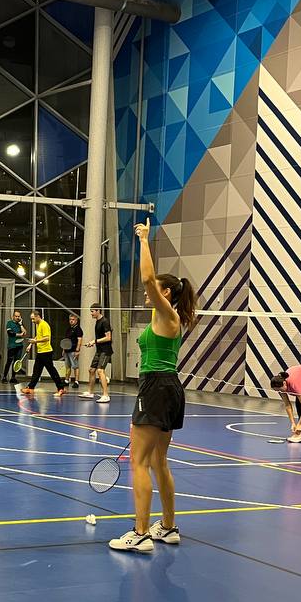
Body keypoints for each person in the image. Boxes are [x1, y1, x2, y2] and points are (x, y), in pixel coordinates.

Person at [109, 220, 196, 554]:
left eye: (155, 290)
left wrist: (144, 240)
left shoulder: (166, 314)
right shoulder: (165, 318)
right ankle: (168, 527)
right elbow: (149, 283)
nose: (148, 292)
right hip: (168, 389)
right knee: (159, 461)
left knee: (139, 462)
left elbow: (147, 278)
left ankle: (141, 532)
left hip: (156, 388)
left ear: (166, 293)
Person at [21, 309, 66, 396]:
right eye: (31, 319)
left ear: (38, 316)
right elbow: (38, 336)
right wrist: (30, 345)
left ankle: (61, 388)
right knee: (36, 371)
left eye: (33, 319)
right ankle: (30, 388)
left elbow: (47, 338)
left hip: (46, 352)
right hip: (40, 352)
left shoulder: (44, 325)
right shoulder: (38, 325)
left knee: (51, 371)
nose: (32, 321)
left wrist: (35, 342)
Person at [80, 303, 113, 404]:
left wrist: (94, 341)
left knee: (100, 370)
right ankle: (90, 392)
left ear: (98, 311)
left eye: (92, 311)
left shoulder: (105, 322)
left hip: (106, 351)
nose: (91, 313)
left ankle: (106, 395)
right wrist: (93, 343)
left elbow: (108, 337)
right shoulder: (97, 322)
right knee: (91, 370)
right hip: (99, 350)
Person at [63, 313, 83, 389]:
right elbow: (66, 340)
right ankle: (66, 380)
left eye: (73, 319)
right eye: (70, 319)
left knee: (75, 366)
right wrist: (63, 349)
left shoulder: (78, 329)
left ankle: (76, 381)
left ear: (76, 320)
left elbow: (80, 340)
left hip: (73, 350)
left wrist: (77, 350)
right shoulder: (68, 329)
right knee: (67, 366)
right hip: (67, 350)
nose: (71, 321)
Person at [5, 310, 25, 384]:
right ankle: (4, 377)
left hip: (19, 346)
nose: (17, 317)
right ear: (13, 316)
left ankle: (13, 377)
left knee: (16, 362)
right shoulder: (9, 323)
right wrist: (19, 335)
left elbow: (24, 333)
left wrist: (21, 325)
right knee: (9, 361)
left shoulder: (20, 324)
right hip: (12, 345)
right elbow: (10, 333)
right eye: (16, 316)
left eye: (18, 316)